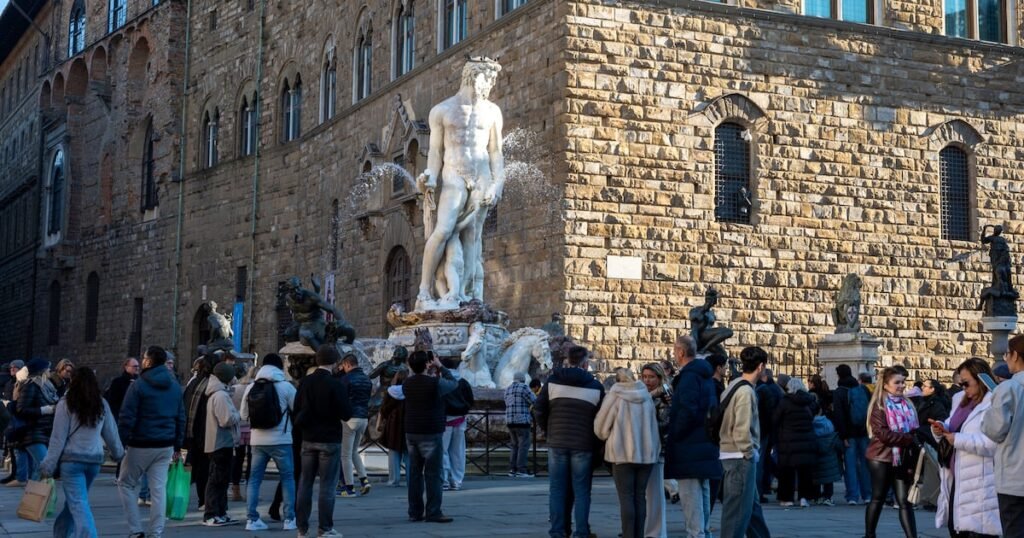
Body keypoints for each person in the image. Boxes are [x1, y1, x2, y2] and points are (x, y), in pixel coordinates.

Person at [39, 367, 124, 537]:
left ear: (73, 381)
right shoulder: (101, 404)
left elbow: (58, 438)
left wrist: (48, 465)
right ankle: (62, 533)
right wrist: (119, 453)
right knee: (75, 502)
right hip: (93, 461)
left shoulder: (66, 404)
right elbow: (111, 433)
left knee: (78, 503)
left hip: (72, 462)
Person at [117, 346, 186, 538]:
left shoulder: (138, 385)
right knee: (158, 490)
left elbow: (127, 417)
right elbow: (181, 417)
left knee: (126, 483)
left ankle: (135, 529)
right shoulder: (174, 386)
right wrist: (178, 445)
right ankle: (156, 532)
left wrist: (120, 443)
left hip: (140, 443)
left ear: (147, 361)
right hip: (165, 444)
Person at [535, 345, 603, 538]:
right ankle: (581, 532)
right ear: (586, 363)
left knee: (556, 489)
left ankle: (557, 531)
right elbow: (601, 418)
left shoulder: (553, 381)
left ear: (568, 360)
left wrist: (549, 431)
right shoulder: (595, 387)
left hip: (557, 442)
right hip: (583, 444)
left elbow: (539, 409)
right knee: (582, 491)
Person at [931, 358, 1001, 537]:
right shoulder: (959, 400)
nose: (963, 387)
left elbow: (993, 443)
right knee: (956, 529)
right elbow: (952, 424)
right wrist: (940, 428)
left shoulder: (994, 403)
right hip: (957, 477)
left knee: (978, 532)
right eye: (960, 383)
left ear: (981, 379)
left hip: (981, 480)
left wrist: (958, 440)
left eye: (966, 383)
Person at [663, 335, 720, 538]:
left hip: (689, 444)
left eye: (674, 350)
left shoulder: (688, 377)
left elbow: (687, 410)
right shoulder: (705, 376)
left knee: (690, 495)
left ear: (680, 352)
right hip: (704, 441)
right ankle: (703, 532)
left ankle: (696, 534)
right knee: (702, 490)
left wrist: (675, 434)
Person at [293, 344, 353, 538]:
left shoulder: (305, 382)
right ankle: (325, 528)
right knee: (327, 486)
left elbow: (297, 407)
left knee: (305, 483)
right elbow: (346, 413)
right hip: (329, 439)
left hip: (308, 438)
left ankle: (302, 529)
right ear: (335, 362)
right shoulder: (336, 384)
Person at [595, 368, 660, 538]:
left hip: (621, 453)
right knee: (640, 497)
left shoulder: (614, 397)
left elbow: (601, 429)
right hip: (646, 454)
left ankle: (628, 535)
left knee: (626, 498)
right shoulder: (646, 397)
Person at [718, 346, 772, 538]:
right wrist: (750, 452)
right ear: (761, 367)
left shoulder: (733, 385)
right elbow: (741, 430)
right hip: (740, 457)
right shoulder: (746, 392)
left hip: (730, 453)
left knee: (751, 508)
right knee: (738, 512)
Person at [240, 353, 297, 531]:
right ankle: (289, 519)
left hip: (257, 441)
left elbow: (243, 415)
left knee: (255, 479)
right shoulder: (286, 387)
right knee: (287, 478)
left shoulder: (251, 388)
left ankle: (252, 519)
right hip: (282, 439)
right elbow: (297, 409)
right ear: (280, 368)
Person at [403, 350, 459, 523]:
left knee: (414, 473)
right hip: (431, 431)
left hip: (411, 430)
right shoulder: (435, 384)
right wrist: (440, 366)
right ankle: (433, 511)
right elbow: (453, 383)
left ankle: (415, 511)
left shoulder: (407, 383)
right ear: (427, 364)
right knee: (434, 474)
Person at [864, 366, 919, 538]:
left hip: (902, 458)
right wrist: (909, 439)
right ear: (886, 385)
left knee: (904, 501)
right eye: (897, 382)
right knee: (878, 498)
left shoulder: (907, 403)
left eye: (903, 382)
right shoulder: (879, 406)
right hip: (881, 457)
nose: (902, 386)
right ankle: (870, 534)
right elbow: (883, 434)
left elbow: (915, 428)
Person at [982, 334, 1024, 537]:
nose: (1006, 358)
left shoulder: (1009, 388)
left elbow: (994, 430)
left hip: (1015, 477)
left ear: (1015, 355)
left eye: (1007, 354)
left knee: (1014, 530)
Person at [201, 361, 241, 526]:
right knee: (217, 480)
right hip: (220, 443)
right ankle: (211, 514)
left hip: (220, 442)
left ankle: (221, 512)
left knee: (222, 480)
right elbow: (226, 420)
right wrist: (239, 415)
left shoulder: (219, 394)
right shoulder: (221, 395)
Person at [773, 377, 818, 508]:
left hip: (788, 441)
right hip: (806, 440)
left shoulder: (785, 402)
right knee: (805, 471)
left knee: (787, 471)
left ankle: (787, 498)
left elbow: (775, 419)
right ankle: (805, 498)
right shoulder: (809, 401)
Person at [832, 364, 872, 505]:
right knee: (865, 464)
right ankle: (867, 494)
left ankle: (852, 496)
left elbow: (839, 416)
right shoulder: (862, 389)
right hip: (863, 432)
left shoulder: (839, 392)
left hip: (849, 434)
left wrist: (843, 436)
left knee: (850, 465)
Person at [336, 353, 372, 497]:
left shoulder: (345, 379)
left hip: (349, 419)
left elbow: (341, 400)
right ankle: (364, 480)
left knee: (345, 455)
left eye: (343, 366)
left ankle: (349, 488)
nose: (343, 369)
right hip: (363, 419)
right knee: (354, 451)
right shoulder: (367, 379)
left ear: (347, 364)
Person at [15, 358, 58, 481]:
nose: (50, 370)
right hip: (33, 432)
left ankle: (34, 498)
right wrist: (45, 410)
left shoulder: (48, 386)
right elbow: (21, 409)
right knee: (44, 466)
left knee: (40, 469)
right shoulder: (31, 386)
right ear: (42, 371)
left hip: (45, 431)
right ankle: (34, 497)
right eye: (48, 368)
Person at [183, 355, 214, 508]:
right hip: (203, 433)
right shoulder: (209, 385)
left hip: (189, 433)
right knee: (203, 469)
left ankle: (178, 497)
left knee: (190, 468)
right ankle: (203, 500)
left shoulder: (193, 383)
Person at [441, 358, 473, 491]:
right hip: (460, 419)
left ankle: (444, 480)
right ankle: (457, 480)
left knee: (443, 451)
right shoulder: (463, 381)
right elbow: (470, 400)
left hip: (445, 419)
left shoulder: (443, 382)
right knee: (458, 451)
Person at [755, 367, 784, 499]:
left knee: (761, 462)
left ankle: (760, 489)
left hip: (762, 430)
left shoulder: (763, 390)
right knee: (765, 460)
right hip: (768, 430)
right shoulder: (774, 389)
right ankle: (766, 485)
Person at [504, 371, 537, 478]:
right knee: (523, 445)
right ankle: (521, 470)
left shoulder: (507, 389)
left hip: (509, 421)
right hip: (522, 420)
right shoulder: (524, 387)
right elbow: (534, 400)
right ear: (523, 379)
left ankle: (512, 470)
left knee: (514, 446)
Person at [229, 362, 253, 503]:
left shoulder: (234, 389)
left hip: (238, 427)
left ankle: (236, 490)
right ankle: (250, 490)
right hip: (251, 427)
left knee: (237, 460)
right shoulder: (254, 388)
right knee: (252, 460)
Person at [380, 369, 409, 486]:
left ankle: (393, 479)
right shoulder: (410, 391)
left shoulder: (390, 392)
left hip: (393, 424)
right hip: (408, 423)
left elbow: (384, 409)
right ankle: (410, 479)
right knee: (409, 453)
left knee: (393, 452)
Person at [811, 405, 843, 506]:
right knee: (829, 480)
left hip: (816, 459)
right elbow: (838, 445)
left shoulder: (811, 425)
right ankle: (827, 497)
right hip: (830, 458)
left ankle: (816, 497)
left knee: (816, 478)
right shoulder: (828, 425)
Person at [1, 359, 24, 485]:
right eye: (11, 368)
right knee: (11, 447)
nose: (12, 370)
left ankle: (18, 475)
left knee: (18, 449)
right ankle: (14, 474)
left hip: (17, 417)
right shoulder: (10, 383)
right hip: (9, 416)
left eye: (14, 368)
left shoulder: (21, 382)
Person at [915, 379, 950, 448]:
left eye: (924, 386)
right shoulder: (923, 401)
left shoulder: (937, 404)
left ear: (932, 389)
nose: (921, 387)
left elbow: (941, 421)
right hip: (922, 440)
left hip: (928, 443)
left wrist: (920, 430)